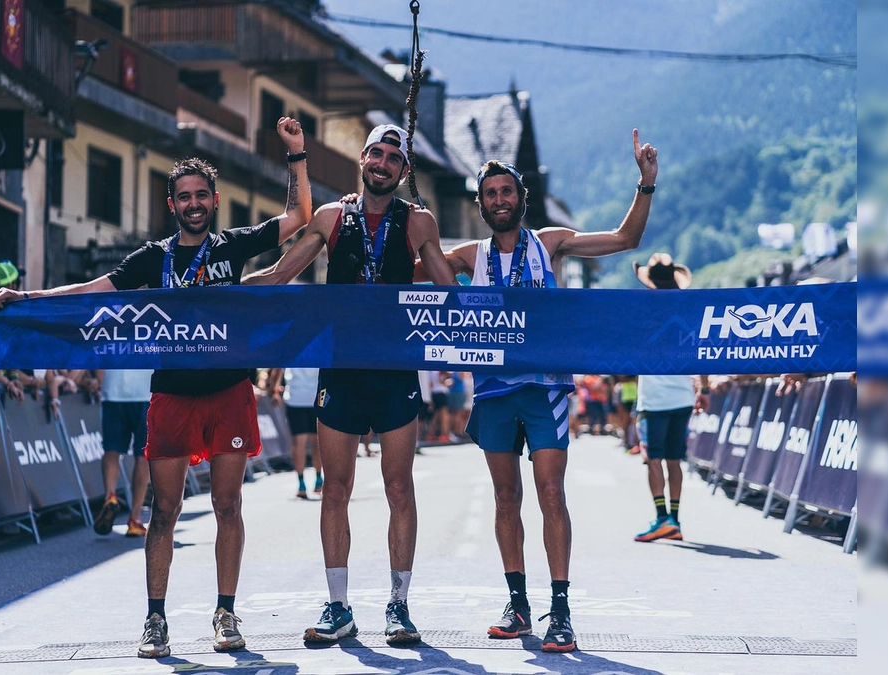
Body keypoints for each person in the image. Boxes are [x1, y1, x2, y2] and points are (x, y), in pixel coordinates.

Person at [0, 117, 312, 658]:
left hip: (229, 390)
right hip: (172, 396)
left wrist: (297, 154)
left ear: (214, 201)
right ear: (172, 204)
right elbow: (91, 292)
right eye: (183, 196)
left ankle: (226, 612)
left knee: (229, 505)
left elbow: (300, 217)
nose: (192, 203)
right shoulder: (152, 258)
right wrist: (27, 298)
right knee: (163, 511)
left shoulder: (232, 248)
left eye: (201, 195)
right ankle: (155, 619)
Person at [418, 130, 657, 652]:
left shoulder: (550, 244)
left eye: (507, 192)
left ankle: (562, 609)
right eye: (491, 194)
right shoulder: (467, 256)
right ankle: (518, 603)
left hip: (545, 387)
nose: (500, 200)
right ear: (480, 204)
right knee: (506, 497)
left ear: (521, 198)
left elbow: (624, 241)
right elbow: (403, 268)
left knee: (551, 494)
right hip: (494, 392)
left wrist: (645, 184)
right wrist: (397, 222)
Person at [245, 123, 456, 646]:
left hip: (394, 371)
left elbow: (453, 293)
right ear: (362, 158)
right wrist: (214, 290)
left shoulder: (419, 223)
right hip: (339, 369)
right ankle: (338, 606)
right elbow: (277, 277)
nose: (382, 163)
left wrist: (516, 311)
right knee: (335, 489)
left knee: (398, 487)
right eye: (376, 154)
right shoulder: (332, 217)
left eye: (392, 158)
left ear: (403, 172)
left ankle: (399, 606)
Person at [631, 252, 709, 543]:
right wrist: (704, 389)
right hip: (682, 396)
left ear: (650, 282)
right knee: (674, 460)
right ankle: (674, 518)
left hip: (654, 398)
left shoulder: (643, 313)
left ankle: (662, 517)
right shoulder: (686, 313)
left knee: (653, 458)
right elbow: (699, 352)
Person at [90, 369, 154, 538]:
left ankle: (110, 496)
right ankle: (135, 518)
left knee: (111, 450)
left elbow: (99, 351)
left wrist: (98, 380)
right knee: (142, 456)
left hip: (113, 390)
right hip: (145, 392)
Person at [267, 367, 324, 499]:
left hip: (296, 399)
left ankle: (302, 483)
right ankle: (318, 479)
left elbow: (278, 369)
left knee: (299, 442)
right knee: (318, 442)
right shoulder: (320, 346)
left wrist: (274, 391)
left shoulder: (291, 346)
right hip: (316, 397)